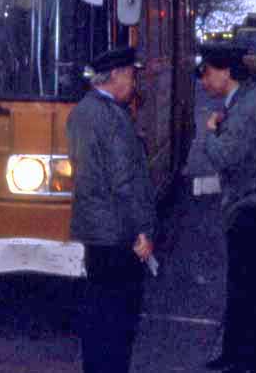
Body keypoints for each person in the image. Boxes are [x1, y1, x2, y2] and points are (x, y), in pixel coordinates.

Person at [198, 41, 256, 373]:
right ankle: (236, 355)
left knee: (251, 289)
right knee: (243, 285)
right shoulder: (253, 100)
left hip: (253, 207)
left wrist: (210, 133)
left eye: (206, 72)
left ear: (226, 72)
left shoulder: (249, 108)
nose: (203, 81)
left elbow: (226, 157)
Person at [67, 46, 156, 373]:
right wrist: (142, 232)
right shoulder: (113, 118)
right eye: (132, 75)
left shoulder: (82, 111)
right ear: (116, 76)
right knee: (121, 318)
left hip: (95, 229)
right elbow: (125, 183)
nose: (134, 83)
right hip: (119, 233)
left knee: (98, 312)